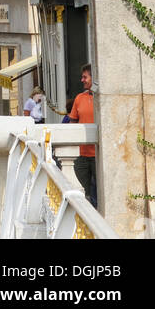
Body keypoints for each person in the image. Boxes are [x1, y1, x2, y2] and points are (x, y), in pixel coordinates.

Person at [68, 65, 97, 207]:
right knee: (81, 193)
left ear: (94, 77)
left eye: (85, 77)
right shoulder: (79, 98)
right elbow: (72, 123)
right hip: (81, 155)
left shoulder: (102, 98)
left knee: (101, 194)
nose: (82, 80)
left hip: (99, 155)